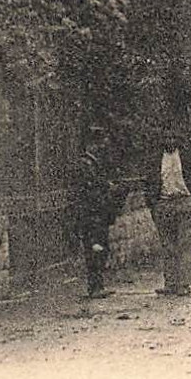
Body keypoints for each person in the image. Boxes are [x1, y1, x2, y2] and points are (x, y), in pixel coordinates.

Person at [145, 126, 191, 297]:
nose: (170, 141)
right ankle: (171, 282)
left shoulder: (189, 158)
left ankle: (184, 283)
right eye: (166, 138)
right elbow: (149, 182)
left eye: (173, 138)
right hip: (164, 203)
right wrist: (153, 204)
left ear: (179, 140)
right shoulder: (155, 159)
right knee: (167, 245)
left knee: (185, 244)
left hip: (185, 201)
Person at [71, 124, 120, 299]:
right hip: (91, 214)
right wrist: (107, 188)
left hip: (96, 213)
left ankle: (98, 285)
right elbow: (90, 190)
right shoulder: (85, 164)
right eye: (100, 144)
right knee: (95, 249)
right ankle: (95, 287)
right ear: (92, 144)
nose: (102, 148)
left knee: (99, 248)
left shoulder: (92, 163)